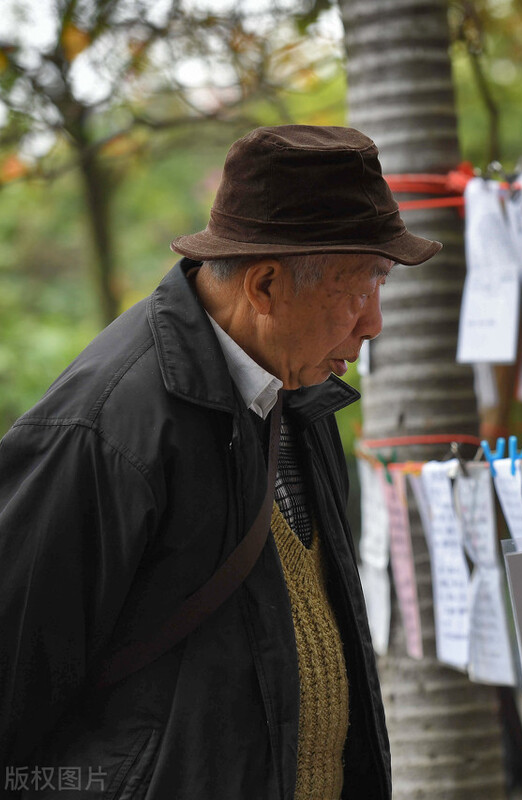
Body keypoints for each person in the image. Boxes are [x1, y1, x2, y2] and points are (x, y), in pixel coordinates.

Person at [0, 125, 441, 799]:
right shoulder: (106, 429)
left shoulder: (298, 392)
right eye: (361, 287)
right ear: (265, 287)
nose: (373, 322)